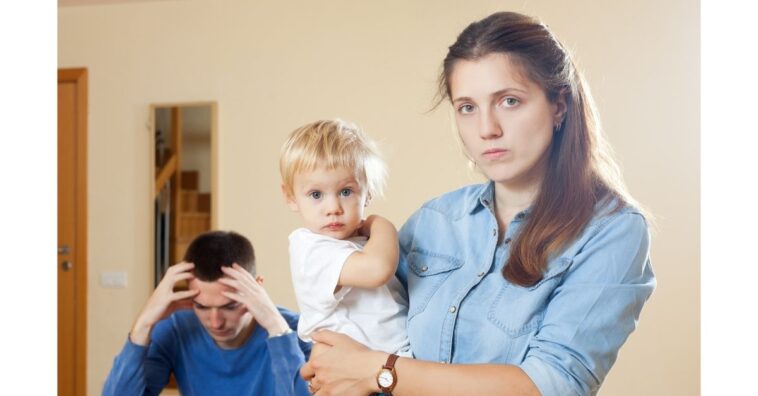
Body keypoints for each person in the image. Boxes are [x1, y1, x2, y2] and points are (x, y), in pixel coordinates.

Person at [300, 11, 656, 396]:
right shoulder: (434, 219)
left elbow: (554, 384)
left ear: (559, 105)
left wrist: (381, 372)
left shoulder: (613, 230)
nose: (487, 129)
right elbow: (359, 329)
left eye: (509, 101)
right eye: (467, 107)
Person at [103, 230, 312, 395]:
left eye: (230, 306)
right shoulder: (176, 329)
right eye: (201, 306)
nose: (215, 322)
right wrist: (144, 324)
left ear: (257, 289)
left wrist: (276, 328)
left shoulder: (298, 330)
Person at [280, 119, 411, 365]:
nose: (333, 208)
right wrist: (380, 223)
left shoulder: (361, 243)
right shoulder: (309, 248)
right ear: (291, 197)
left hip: (389, 365)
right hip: (356, 374)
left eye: (346, 192)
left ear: (368, 192)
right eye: (316, 195)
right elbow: (377, 270)